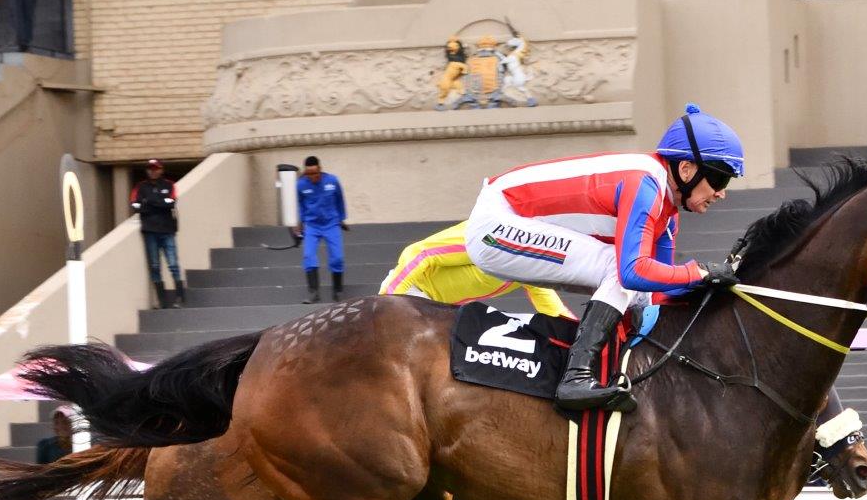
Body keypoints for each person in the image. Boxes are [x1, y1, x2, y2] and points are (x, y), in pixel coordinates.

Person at [464, 103, 744, 413]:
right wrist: (700, 272)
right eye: (720, 180)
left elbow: (656, 291)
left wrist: (711, 285)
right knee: (621, 268)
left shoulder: (668, 213)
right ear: (687, 169)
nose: (721, 193)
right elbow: (633, 272)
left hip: (512, 225)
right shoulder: (645, 184)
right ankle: (575, 378)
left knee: (638, 289)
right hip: (495, 226)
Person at [379, 221, 574, 318]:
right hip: (407, 291)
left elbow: (554, 311)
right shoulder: (484, 239)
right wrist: (388, 301)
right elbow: (419, 253)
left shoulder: (528, 269)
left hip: (439, 308)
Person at [130, 158, 185, 309]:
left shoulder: (169, 185)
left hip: (167, 230)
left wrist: (149, 202)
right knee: (154, 266)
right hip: (150, 231)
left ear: (161, 169)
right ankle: (163, 301)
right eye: (150, 169)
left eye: (156, 168)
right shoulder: (140, 187)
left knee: (173, 264)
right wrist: (159, 203)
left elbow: (171, 203)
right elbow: (136, 205)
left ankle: (180, 296)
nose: (153, 171)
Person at [295, 155, 348, 304]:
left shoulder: (332, 181)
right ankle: (313, 292)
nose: (312, 177)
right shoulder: (301, 185)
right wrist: (299, 224)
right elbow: (300, 206)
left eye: (315, 173)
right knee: (308, 255)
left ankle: (337, 291)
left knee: (337, 257)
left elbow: (340, 200)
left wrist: (341, 218)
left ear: (320, 169)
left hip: (331, 224)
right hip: (312, 225)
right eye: (308, 174)